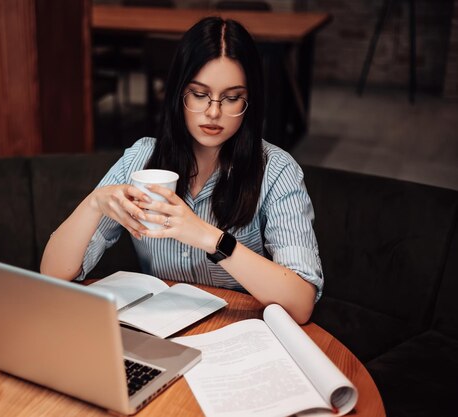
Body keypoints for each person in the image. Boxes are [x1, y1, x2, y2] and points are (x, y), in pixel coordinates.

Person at [41, 17, 323, 324]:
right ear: (179, 94)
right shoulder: (141, 159)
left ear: (250, 101)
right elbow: (53, 272)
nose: (213, 112)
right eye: (200, 95)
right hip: (158, 331)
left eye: (231, 98)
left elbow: (301, 302)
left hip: (236, 334)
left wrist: (211, 239)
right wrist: (94, 202)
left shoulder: (277, 171)